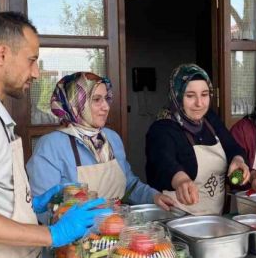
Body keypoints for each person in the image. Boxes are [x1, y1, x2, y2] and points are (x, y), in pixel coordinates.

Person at [0, 12, 109, 258]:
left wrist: (27, 205)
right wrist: (53, 234)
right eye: (31, 60)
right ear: (2, 55)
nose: (36, 72)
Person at [27, 72, 175, 210]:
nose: (106, 106)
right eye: (96, 99)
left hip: (116, 228)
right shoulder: (51, 146)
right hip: (78, 236)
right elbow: (43, 207)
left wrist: (154, 196)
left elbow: (129, 185)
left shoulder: (111, 138)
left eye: (106, 98)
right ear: (75, 103)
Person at [145, 64, 250, 215]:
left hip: (213, 221)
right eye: (190, 96)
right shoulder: (162, 128)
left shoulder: (210, 120)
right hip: (174, 222)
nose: (199, 103)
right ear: (177, 95)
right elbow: (163, 162)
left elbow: (232, 146)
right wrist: (180, 180)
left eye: (204, 94)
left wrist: (238, 160)